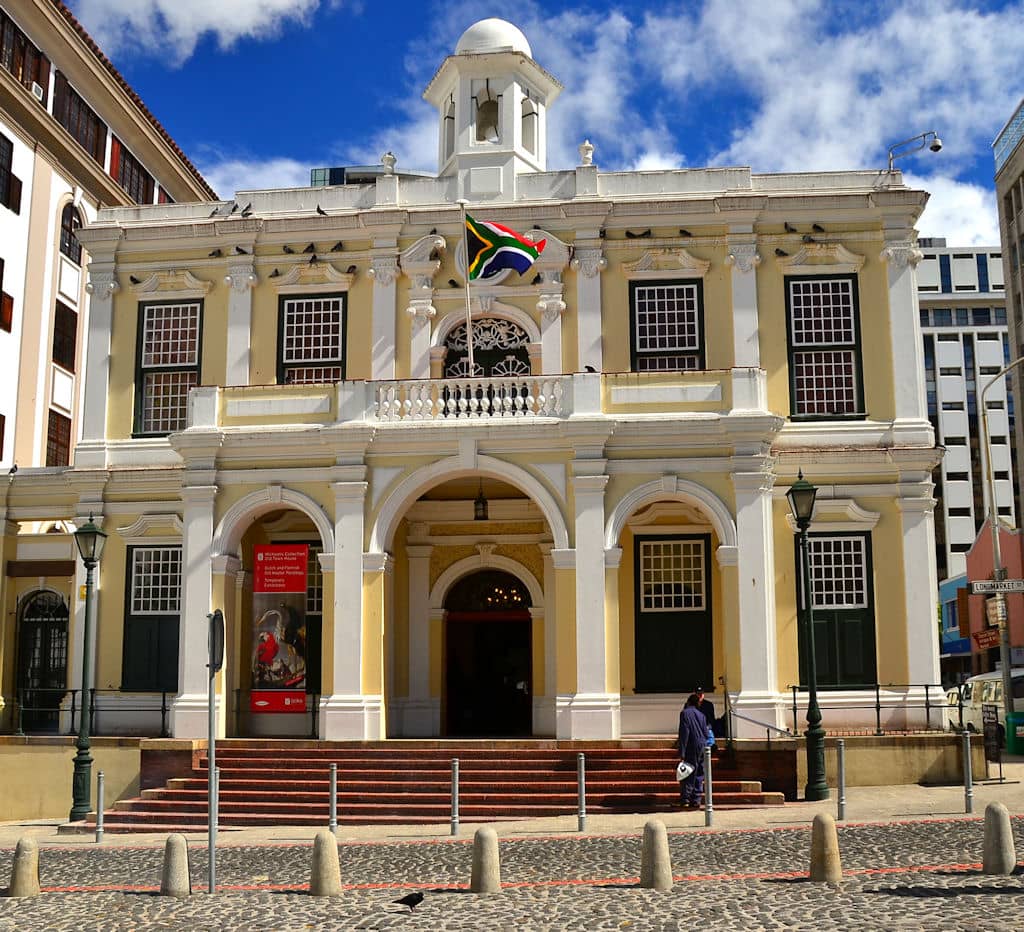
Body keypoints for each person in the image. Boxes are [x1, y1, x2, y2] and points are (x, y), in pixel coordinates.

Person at [677, 693, 706, 807]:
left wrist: (682, 751)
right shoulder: (702, 715)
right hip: (702, 745)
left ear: (688, 702)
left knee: (688, 771)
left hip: (691, 745)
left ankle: (686, 798)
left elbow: (685, 732)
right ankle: (697, 798)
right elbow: (705, 732)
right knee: (699, 772)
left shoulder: (685, 713)